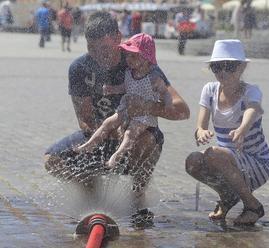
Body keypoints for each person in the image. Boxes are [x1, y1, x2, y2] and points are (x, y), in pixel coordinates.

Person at [44, 11, 189, 221]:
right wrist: (110, 132)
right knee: (52, 160)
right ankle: (92, 195)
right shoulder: (79, 68)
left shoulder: (140, 63)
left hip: (137, 136)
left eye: (104, 48)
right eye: (91, 48)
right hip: (102, 135)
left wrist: (148, 106)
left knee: (146, 139)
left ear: (118, 38)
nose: (98, 55)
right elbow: (84, 120)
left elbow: (182, 111)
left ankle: (137, 199)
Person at [185, 40, 269, 225]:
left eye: (230, 66)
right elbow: (200, 126)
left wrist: (242, 129)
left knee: (213, 154)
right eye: (217, 67)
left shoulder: (251, 91)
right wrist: (201, 132)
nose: (223, 72)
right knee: (192, 161)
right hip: (227, 162)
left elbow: (253, 108)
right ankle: (228, 196)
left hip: (257, 163)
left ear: (242, 67)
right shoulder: (210, 90)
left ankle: (253, 206)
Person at [76, 33, 172, 171]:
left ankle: (116, 156)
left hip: (144, 116)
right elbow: (125, 87)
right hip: (126, 107)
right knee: (107, 123)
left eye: (133, 56)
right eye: (127, 55)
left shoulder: (153, 77)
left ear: (146, 58)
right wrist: (112, 89)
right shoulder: (129, 73)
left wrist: (167, 104)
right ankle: (90, 144)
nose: (128, 59)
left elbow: (165, 93)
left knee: (129, 133)